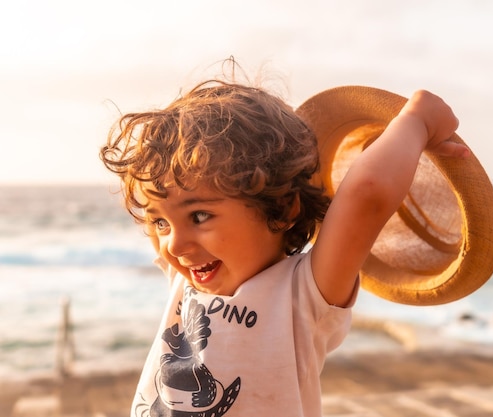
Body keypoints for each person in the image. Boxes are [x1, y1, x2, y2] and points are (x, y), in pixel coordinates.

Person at [100, 68, 469, 417]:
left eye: (199, 216)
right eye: (161, 222)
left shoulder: (304, 294)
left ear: (281, 209)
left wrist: (417, 121)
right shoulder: (187, 277)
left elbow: (365, 197)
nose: (175, 245)